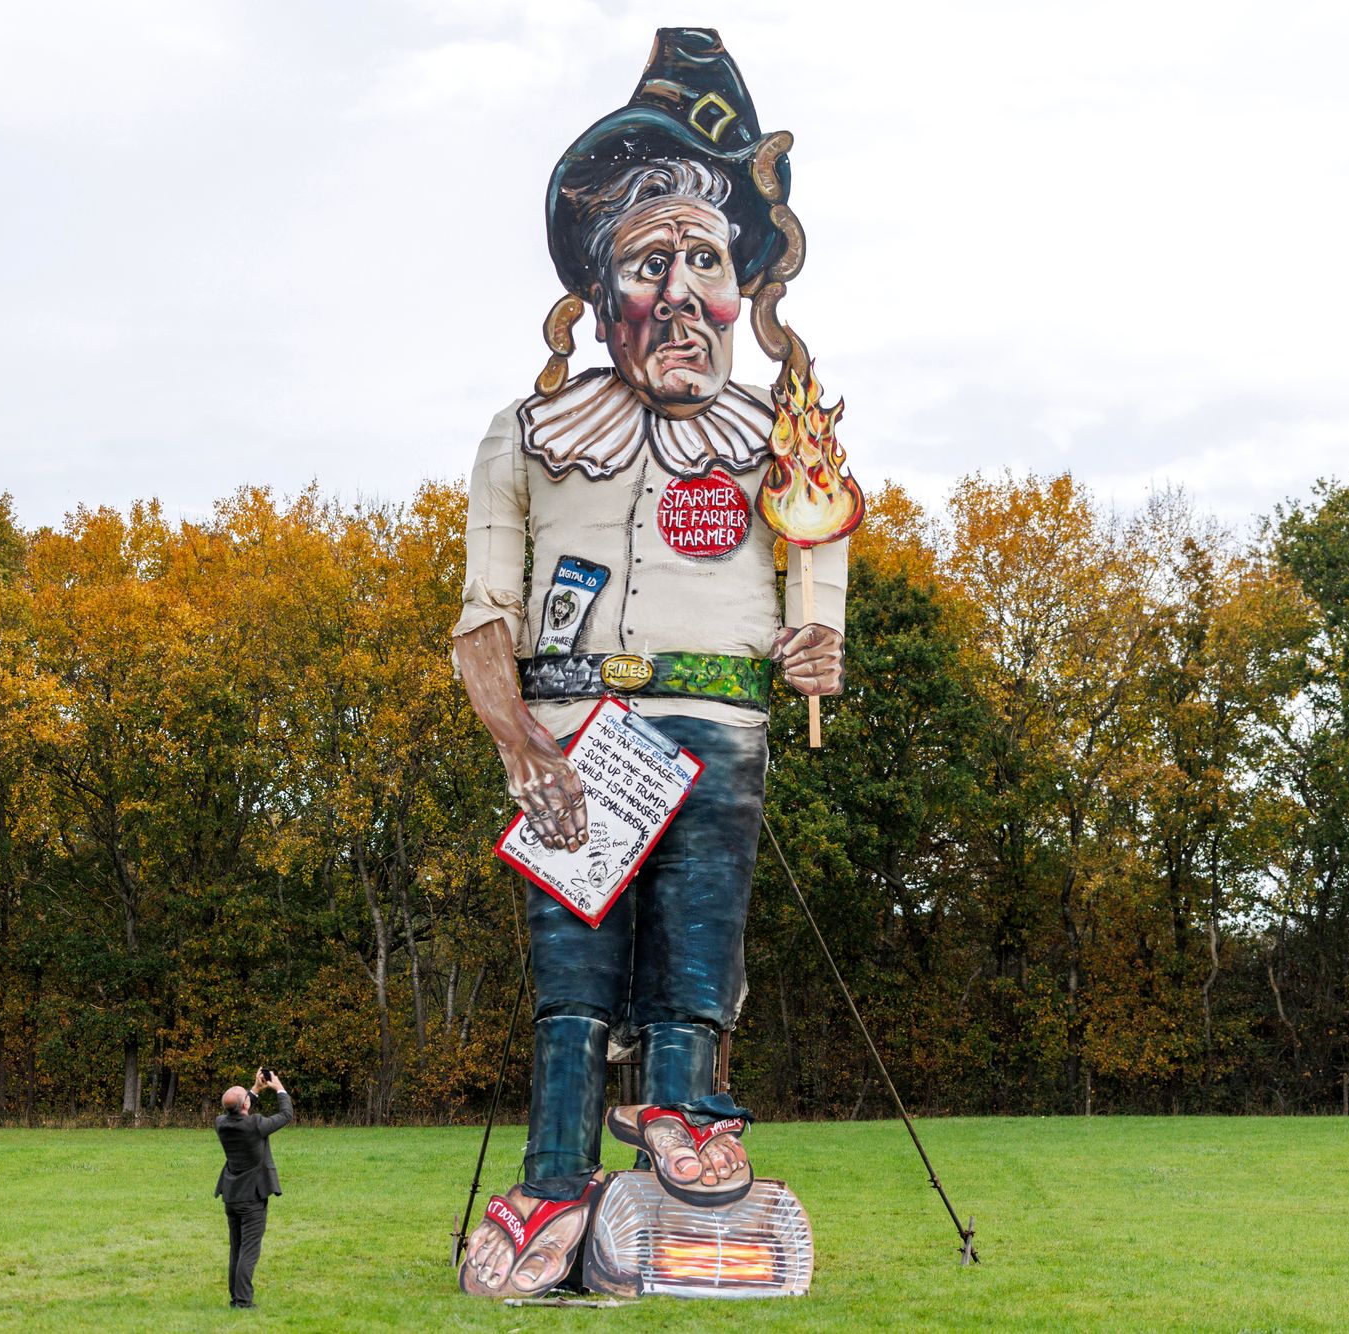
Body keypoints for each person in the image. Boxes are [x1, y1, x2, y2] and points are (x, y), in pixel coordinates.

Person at [454, 28, 845, 1297]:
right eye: (647, 262)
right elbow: (481, 617)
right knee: (570, 985)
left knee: (695, 971)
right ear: (599, 285)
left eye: (704, 261)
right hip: (576, 734)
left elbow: (819, 556)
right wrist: (523, 745)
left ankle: (687, 1172)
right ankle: (551, 1184)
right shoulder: (527, 435)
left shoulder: (779, 438)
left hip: (718, 728)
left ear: (741, 287)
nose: (679, 294)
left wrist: (817, 641)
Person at [213, 1068, 292, 1309]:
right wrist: (278, 1087)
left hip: (231, 1195)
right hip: (252, 1199)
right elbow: (286, 1114)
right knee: (249, 1251)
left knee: (236, 1249)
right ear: (246, 1105)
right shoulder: (256, 1125)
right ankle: (243, 1302)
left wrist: (256, 1089)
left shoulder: (221, 1123)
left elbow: (238, 1109)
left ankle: (235, 1298)